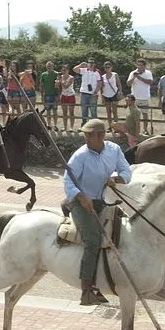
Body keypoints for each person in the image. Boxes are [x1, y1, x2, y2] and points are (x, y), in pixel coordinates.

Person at [63, 118, 132, 306]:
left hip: (106, 200)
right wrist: (80, 196)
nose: (85, 138)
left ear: (101, 136)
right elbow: (68, 181)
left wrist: (116, 179)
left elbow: (127, 171)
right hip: (82, 203)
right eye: (85, 134)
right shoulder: (80, 156)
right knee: (93, 240)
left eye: (89, 135)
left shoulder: (114, 150)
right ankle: (86, 290)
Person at [126, 58, 154, 134]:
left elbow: (150, 82)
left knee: (145, 115)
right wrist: (134, 77)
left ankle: (145, 130)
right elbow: (128, 83)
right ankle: (133, 130)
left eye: (141, 65)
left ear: (144, 66)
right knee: (133, 115)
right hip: (134, 98)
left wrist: (140, 78)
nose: (139, 67)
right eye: (138, 65)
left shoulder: (148, 73)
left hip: (145, 97)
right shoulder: (133, 73)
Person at [74, 59, 101, 123]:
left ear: (94, 64)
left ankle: (94, 125)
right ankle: (84, 124)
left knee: (93, 110)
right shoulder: (84, 70)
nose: (91, 64)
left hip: (93, 94)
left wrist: (96, 92)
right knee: (84, 110)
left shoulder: (97, 72)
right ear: (87, 64)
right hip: (84, 93)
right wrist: (81, 64)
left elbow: (99, 83)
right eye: (89, 63)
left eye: (92, 63)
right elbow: (74, 69)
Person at [99, 61, 120, 128]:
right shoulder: (103, 76)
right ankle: (110, 126)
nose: (107, 68)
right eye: (106, 67)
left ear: (111, 67)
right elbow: (102, 87)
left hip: (114, 94)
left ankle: (116, 126)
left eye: (108, 67)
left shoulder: (115, 75)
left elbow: (119, 84)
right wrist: (102, 97)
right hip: (106, 95)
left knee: (114, 111)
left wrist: (120, 91)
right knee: (108, 112)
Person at [40, 61, 59, 130]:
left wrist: (58, 95)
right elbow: (41, 85)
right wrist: (42, 96)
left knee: (55, 110)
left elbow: (58, 86)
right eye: (48, 66)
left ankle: (55, 125)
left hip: (54, 95)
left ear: (53, 67)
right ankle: (49, 125)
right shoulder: (43, 74)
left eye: (50, 66)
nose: (49, 67)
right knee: (48, 111)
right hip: (47, 95)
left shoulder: (56, 74)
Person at [58, 64, 77, 132]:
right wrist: (57, 81)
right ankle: (65, 127)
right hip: (63, 95)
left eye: (65, 70)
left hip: (71, 95)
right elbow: (57, 86)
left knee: (71, 112)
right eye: (62, 70)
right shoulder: (61, 77)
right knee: (64, 112)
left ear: (68, 70)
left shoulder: (71, 77)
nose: (63, 71)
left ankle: (71, 127)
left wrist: (60, 81)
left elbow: (66, 86)